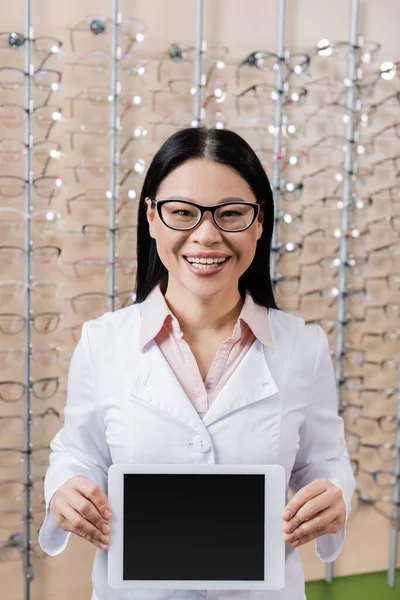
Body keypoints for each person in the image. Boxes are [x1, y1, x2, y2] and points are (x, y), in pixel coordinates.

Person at [38, 127, 355, 600]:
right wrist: (64, 488)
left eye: (231, 214)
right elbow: (79, 453)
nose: (206, 236)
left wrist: (335, 494)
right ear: (151, 218)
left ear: (259, 221)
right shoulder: (102, 342)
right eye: (182, 213)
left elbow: (325, 458)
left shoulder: (303, 347)